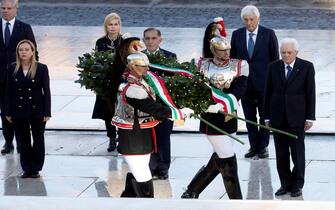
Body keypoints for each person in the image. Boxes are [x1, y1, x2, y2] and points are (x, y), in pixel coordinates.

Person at [112, 43, 193, 197]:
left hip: (141, 135)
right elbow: (151, 107)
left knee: (139, 173)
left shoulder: (139, 82)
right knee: (143, 175)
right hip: (133, 137)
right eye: (142, 66)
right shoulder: (132, 88)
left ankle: (128, 200)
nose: (146, 69)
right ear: (133, 66)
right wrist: (177, 113)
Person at [181, 19, 248, 199]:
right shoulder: (202, 65)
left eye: (228, 49)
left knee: (220, 157)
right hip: (211, 118)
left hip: (229, 115)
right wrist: (205, 105)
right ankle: (236, 200)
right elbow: (196, 88)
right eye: (222, 50)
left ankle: (192, 191)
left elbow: (240, 88)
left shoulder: (239, 65)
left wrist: (225, 103)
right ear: (213, 50)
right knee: (227, 159)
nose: (226, 53)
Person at [264, 38, 315, 197]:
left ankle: (297, 185)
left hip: (297, 118)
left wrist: (310, 117)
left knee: (298, 153)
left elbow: (310, 93)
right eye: (283, 52)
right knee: (281, 154)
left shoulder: (306, 67)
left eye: (289, 53)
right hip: (277, 117)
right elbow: (268, 92)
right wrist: (266, 117)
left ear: (296, 53)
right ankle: (285, 184)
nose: (285, 55)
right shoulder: (273, 67)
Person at [230, 5, 279, 158]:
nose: (249, 23)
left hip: (264, 83)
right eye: (246, 20)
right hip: (245, 85)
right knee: (249, 117)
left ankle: (263, 146)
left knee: (265, 116)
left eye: (252, 19)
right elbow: (234, 60)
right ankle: (253, 146)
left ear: (258, 19)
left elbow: (275, 60)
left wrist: (274, 83)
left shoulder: (269, 34)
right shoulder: (237, 35)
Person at [5, 39, 51, 178]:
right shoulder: (12, 68)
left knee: (38, 139)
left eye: (26, 49)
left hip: (37, 109)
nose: (23, 52)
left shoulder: (41, 68)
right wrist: (7, 111)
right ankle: (26, 168)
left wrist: (47, 111)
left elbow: (46, 91)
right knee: (23, 140)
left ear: (32, 52)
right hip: (18, 110)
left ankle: (36, 168)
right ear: (17, 52)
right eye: (21, 50)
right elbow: (8, 92)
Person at [0, 0, 38, 154]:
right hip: (1, 79)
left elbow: (34, 52)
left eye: (9, 8)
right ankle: (8, 141)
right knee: (5, 110)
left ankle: (22, 142)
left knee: (20, 111)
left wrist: (33, 74)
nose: (5, 11)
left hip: (20, 77)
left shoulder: (25, 28)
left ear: (16, 9)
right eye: (2, 8)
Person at [142, 27, 176, 180]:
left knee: (163, 137)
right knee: (148, 136)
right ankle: (151, 166)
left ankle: (163, 167)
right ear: (143, 40)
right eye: (147, 38)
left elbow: (175, 82)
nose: (150, 41)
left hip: (164, 105)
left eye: (153, 38)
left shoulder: (170, 57)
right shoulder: (138, 57)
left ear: (160, 40)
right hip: (145, 105)